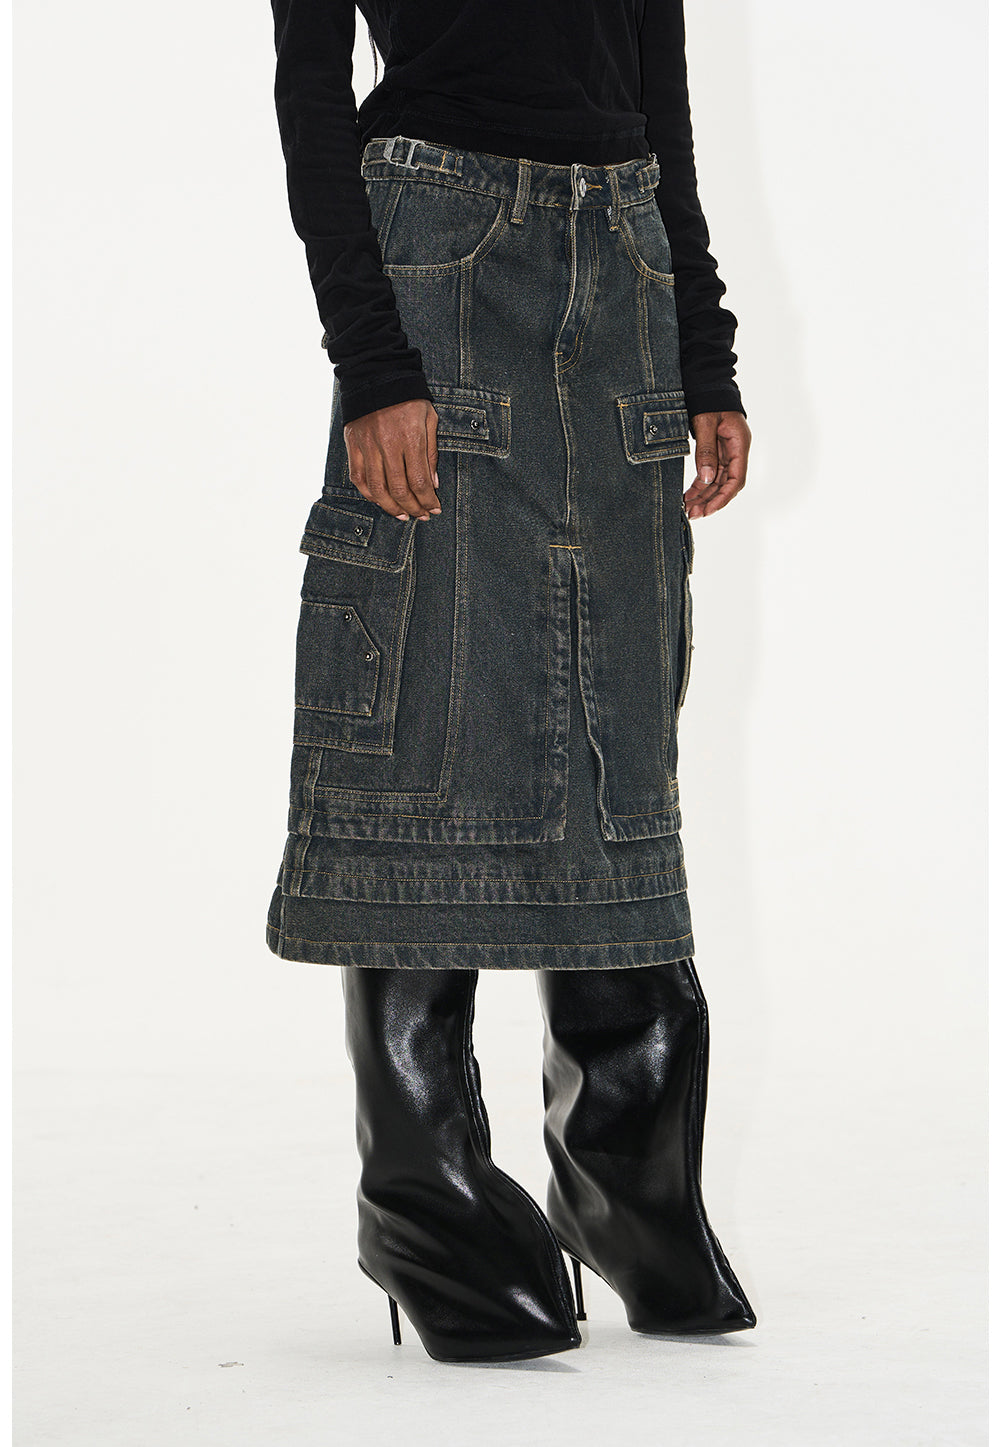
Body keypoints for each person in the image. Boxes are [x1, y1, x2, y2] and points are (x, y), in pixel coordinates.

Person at [266, 0, 754, 1364]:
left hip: (626, 249)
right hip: (439, 247)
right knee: (429, 709)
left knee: (616, 717)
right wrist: (373, 362)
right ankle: (426, 1198)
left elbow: (661, 108)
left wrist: (705, 350)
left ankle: (627, 1179)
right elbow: (311, 98)